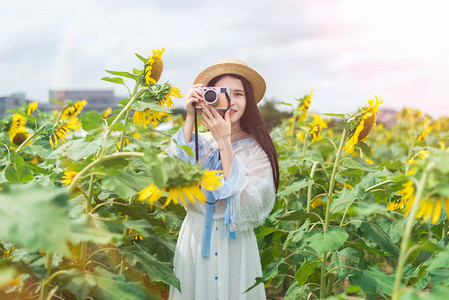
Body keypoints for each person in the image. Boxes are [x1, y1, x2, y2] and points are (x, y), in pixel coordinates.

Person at [168, 58, 279, 300]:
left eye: (238, 94)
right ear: (208, 96)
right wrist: (190, 116)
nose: (231, 101)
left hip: (234, 244)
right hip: (195, 237)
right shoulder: (199, 141)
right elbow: (175, 175)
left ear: (248, 100)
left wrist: (224, 141)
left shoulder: (256, 149)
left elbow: (249, 202)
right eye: (222, 93)